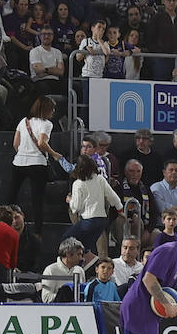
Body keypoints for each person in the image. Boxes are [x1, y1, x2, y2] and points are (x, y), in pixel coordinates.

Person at [10, 96, 57, 231]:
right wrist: (54, 154)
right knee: (37, 199)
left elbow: (15, 144)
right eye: (52, 109)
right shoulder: (47, 124)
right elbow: (42, 143)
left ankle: (5, 223)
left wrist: (23, 153)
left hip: (18, 162)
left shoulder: (23, 122)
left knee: (12, 195)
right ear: (46, 109)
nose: (53, 111)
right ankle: (38, 232)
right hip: (37, 163)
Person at [66, 155, 123, 256]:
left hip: (88, 220)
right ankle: (97, 263)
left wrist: (70, 200)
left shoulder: (78, 183)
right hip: (101, 220)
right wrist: (120, 211)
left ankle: (75, 264)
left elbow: (76, 207)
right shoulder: (100, 179)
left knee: (67, 240)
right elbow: (113, 197)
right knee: (89, 246)